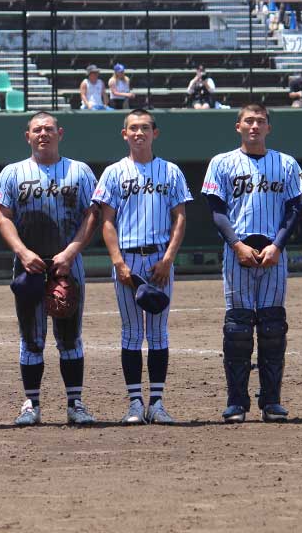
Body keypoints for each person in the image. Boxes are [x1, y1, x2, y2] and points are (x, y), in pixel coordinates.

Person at [0, 112, 99, 427]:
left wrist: (71, 252)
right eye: (37, 129)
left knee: (70, 337)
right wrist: (22, 252)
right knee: (31, 338)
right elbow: (2, 216)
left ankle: (75, 404)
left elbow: (92, 215)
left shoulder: (79, 172)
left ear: (60, 133)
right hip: (28, 266)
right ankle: (32, 404)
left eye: (49, 129)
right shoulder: (12, 173)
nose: (43, 134)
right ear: (28, 136)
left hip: (68, 264)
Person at [202, 103, 302, 423]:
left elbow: (294, 210)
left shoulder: (286, 163)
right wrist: (236, 244)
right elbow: (217, 210)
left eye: (260, 121)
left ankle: (272, 401)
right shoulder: (222, 162)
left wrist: (278, 245)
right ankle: (236, 401)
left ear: (268, 128)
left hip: (274, 253)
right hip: (238, 253)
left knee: (273, 326)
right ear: (238, 126)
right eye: (248, 121)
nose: (254, 126)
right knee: (238, 329)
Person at [93, 110, 192, 425]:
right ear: (124, 134)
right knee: (132, 333)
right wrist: (118, 261)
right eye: (133, 128)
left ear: (155, 133)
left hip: (160, 258)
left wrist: (168, 259)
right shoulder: (113, 172)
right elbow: (106, 221)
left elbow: (180, 217)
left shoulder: (171, 171)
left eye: (145, 128)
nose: (139, 133)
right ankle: (135, 403)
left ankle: (158, 403)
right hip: (128, 260)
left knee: (159, 333)